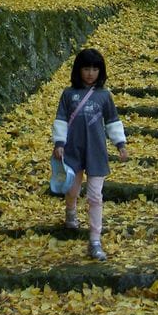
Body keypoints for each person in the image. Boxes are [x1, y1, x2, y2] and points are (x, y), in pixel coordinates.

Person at [51, 47, 129, 260]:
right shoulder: (68, 94)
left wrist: (120, 144)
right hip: (73, 151)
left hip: (96, 152)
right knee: (73, 189)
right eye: (86, 68)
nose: (90, 73)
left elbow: (113, 121)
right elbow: (60, 119)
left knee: (95, 195)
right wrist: (59, 143)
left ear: (100, 71)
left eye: (95, 69)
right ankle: (71, 210)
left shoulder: (104, 96)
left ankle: (95, 240)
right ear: (78, 70)